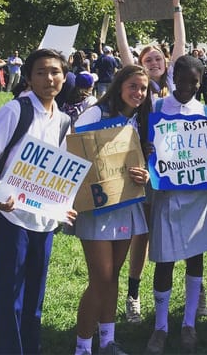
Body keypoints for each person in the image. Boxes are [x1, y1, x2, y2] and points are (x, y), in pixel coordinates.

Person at [0, 48, 76, 355]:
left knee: (35, 295)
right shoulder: (15, 111)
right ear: (29, 78)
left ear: (64, 76)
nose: (49, 78)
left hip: (44, 220)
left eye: (55, 72)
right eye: (42, 72)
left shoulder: (63, 120)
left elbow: (60, 173)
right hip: (11, 215)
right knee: (9, 295)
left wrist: (64, 205)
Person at [114, 0, 189, 323]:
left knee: (175, 227)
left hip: (173, 165)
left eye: (159, 57)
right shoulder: (141, 87)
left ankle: (187, 293)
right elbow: (124, 50)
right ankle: (133, 294)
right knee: (141, 234)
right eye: (149, 59)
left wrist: (176, 6)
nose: (156, 61)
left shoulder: (173, 82)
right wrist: (119, 14)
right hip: (143, 164)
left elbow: (180, 44)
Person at [146, 56, 207, 354]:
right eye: (184, 79)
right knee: (164, 260)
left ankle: (189, 323)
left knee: (195, 258)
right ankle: (160, 326)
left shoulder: (204, 112)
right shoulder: (156, 108)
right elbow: (143, 142)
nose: (189, 85)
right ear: (173, 77)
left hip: (198, 198)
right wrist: (147, 148)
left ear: (201, 81)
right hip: (166, 196)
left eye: (196, 80)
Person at [73, 65, 152, 355]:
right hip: (97, 209)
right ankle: (82, 346)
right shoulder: (96, 113)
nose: (139, 93)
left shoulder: (139, 120)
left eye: (143, 88)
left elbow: (141, 161)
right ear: (119, 86)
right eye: (133, 86)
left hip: (126, 205)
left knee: (113, 277)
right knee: (101, 279)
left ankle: (107, 340)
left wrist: (143, 174)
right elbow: (75, 151)